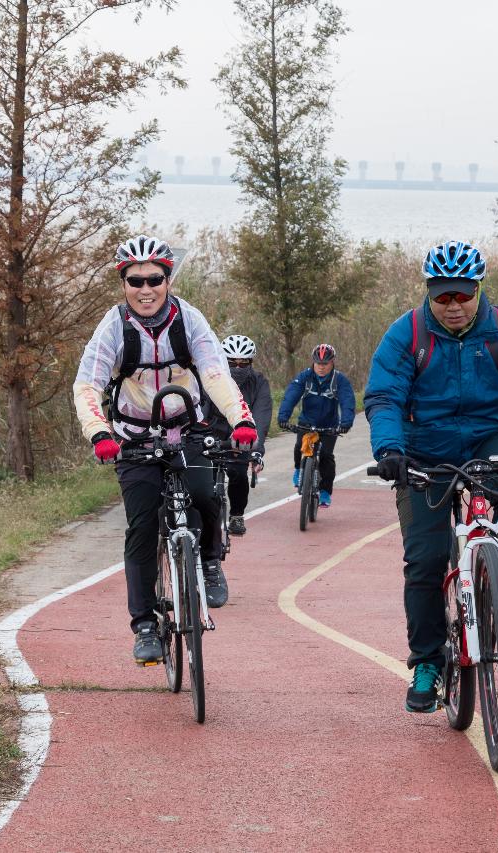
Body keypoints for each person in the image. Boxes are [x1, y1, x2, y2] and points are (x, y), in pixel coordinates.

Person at [364, 239, 498, 714]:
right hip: (421, 448)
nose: (453, 306)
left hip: (484, 438)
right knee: (425, 559)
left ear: (478, 289)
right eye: (443, 296)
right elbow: (383, 397)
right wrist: (390, 450)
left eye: (463, 294)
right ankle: (427, 664)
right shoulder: (407, 334)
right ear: (429, 292)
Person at [73, 235, 258, 665]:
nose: (145, 289)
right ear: (123, 283)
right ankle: (144, 626)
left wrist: (241, 420)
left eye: (154, 279)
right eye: (135, 280)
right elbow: (88, 385)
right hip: (134, 437)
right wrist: (99, 433)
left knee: (207, 494)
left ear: (167, 279)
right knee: (140, 528)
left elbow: (215, 374)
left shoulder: (189, 320)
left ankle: (209, 560)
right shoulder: (113, 327)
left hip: (186, 428)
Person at [277, 343, 355, 508]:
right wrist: (283, 417)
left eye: (325, 364)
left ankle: (325, 491)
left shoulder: (339, 380)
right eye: (318, 363)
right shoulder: (304, 377)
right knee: (300, 445)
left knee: (326, 456)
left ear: (332, 362)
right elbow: (291, 396)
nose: (321, 367)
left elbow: (347, 402)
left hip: (330, 425)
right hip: (307, 422)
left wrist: (346, 423)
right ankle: (299, 469)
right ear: (313, 362)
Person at [216, 334, 272, 536]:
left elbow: (262, 415)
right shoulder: (211, 378)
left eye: (243, 363)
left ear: (251, 362)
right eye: (232, 363)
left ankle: (237, 515)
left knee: (238, 475)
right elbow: (200, 409)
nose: (237, 368)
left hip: (242, 438)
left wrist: (257, 450)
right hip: (213, 434)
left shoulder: (258, 382)